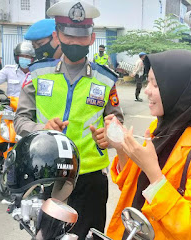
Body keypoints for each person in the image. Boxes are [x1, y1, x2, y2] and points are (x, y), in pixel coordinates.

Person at [14, 1, 124, 239]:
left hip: (90, 177)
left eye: (82, 37)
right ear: (57, 35)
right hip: (46, 174)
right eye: (68, 35)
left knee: (89, 236)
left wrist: (110, 136)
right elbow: (20, 119)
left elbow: (117, 124)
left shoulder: (105, 80)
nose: (75, 42)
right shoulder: (37, 73)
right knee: (47, 235)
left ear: (92, 38)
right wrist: (41, 128)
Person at [91, 49, 191, 239]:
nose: (146, 90)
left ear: (180, 89)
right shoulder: (159, 127)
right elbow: (132, 187)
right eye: (148, 81)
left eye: (156, 84)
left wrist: (154, 174)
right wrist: (121, 147)